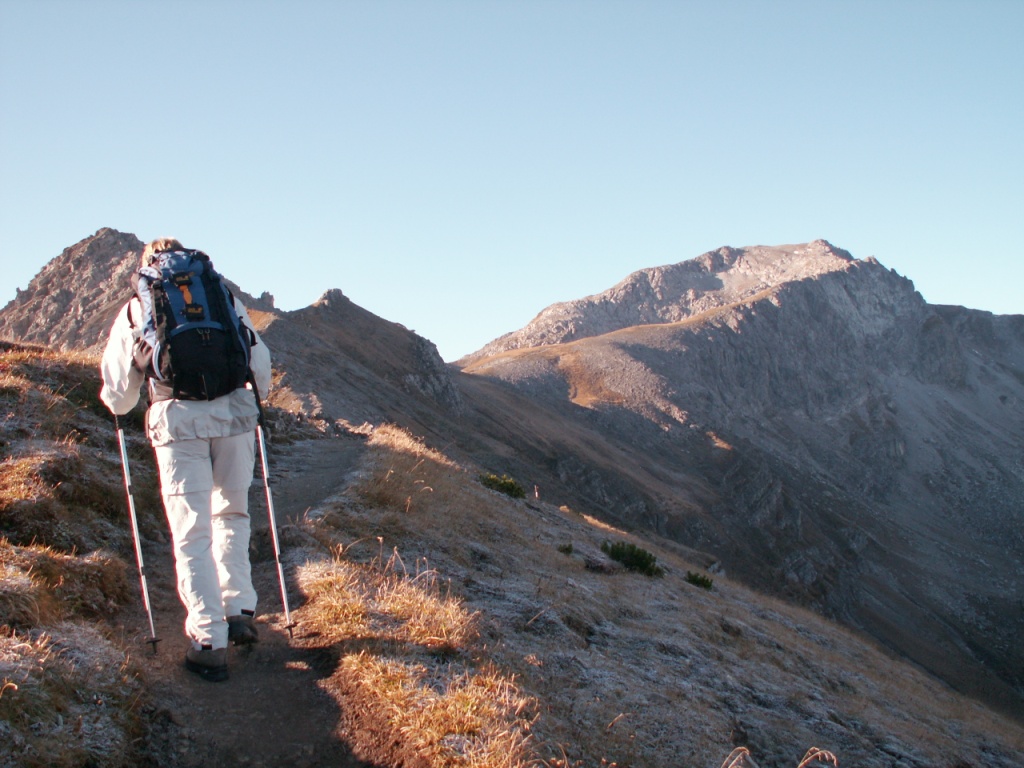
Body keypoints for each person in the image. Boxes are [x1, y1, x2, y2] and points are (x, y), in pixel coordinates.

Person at [100, 237, 272, 682]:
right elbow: (259, 358)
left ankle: (208, 640)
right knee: (232, 514)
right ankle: (239, 610)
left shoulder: (139, 306)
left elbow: (120, 397)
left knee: (191, 533)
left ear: (147, 266)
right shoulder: (222, 297)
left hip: (178, 422)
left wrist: (126, 400)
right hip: (235, 415)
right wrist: (249, 401)